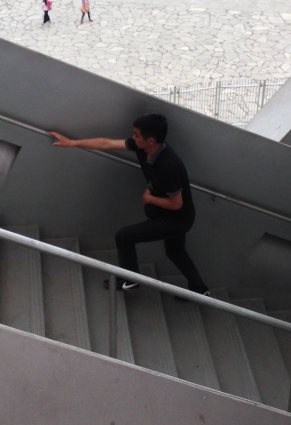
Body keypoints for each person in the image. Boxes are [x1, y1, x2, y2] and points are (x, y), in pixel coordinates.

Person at [47, 113, 209, 296]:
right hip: (173, 215)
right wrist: (71, 143)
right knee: (175, 252)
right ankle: (200, 290)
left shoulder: (168, 166)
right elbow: (106, 144)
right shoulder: (144, 148)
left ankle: (130, 280)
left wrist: (150, 198)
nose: (133, 138)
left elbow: (176, 204)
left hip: (177, 218)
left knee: (124, 237)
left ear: (150, 140)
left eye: (136, 135)